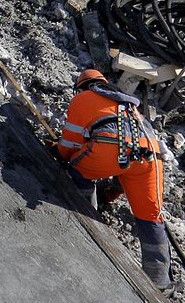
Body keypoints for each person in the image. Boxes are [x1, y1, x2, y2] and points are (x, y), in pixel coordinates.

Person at [55, 68, 173, 291]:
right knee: (151, 216)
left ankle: (87, 222)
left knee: (79, 172)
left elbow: (69, 144)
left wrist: (60, 156)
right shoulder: (129, 105)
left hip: (111, 148)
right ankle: (159, 281)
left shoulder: (83, 99)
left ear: (81, 87)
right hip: (150, 157)